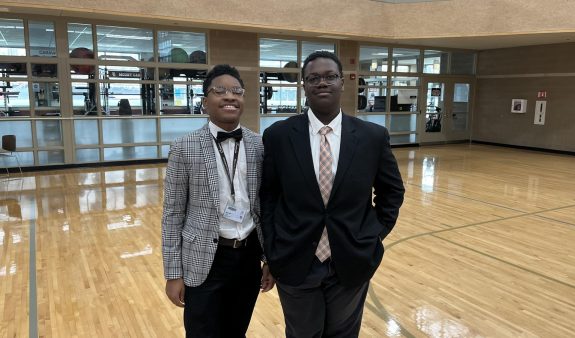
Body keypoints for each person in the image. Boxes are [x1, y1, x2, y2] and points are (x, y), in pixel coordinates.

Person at [261, 51, 405, 337]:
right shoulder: (278, 135)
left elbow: (392, 191)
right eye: (313, 78)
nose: (322, 83)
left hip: (351, 260)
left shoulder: (372, 137)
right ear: (304, 85)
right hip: (294, 258)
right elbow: (268, 197)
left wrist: (373, 235)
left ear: (343, 82)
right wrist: (272, 250)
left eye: (330, 76)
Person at [162, 64, 274, 338]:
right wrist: (173, 273)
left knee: (237, 330)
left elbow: (268, 206)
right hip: (203, 259)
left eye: (237, 91)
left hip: (248, 257)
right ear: (204, 102)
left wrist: (271, 258)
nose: (229, 96)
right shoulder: (184, 147)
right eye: (219, 91)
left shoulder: (259, 145)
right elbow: (173, 213)